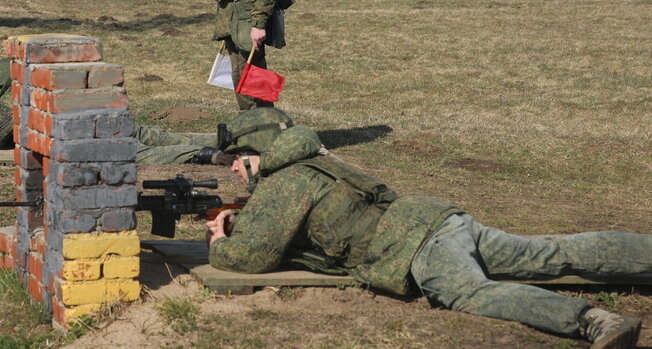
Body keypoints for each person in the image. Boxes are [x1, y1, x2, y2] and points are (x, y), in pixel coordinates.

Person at [205, 108, 649, 349]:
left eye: (236, 164)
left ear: (255, 153)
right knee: (547, 253)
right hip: (438, 220)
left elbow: (251, 258)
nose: (235, 174)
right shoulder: (315, 161)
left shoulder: (284, 181)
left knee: (468, 293)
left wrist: (221, 241)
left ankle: (592, 321)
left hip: (417, 247)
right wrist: (243, 219)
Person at [0, 58, 230, 164]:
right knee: (158, 136)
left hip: (93, 130)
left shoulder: (18, 92)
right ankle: (229, 138)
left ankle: (204, 153)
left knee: (145, 153)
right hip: (107, 111)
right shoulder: (48, 72)